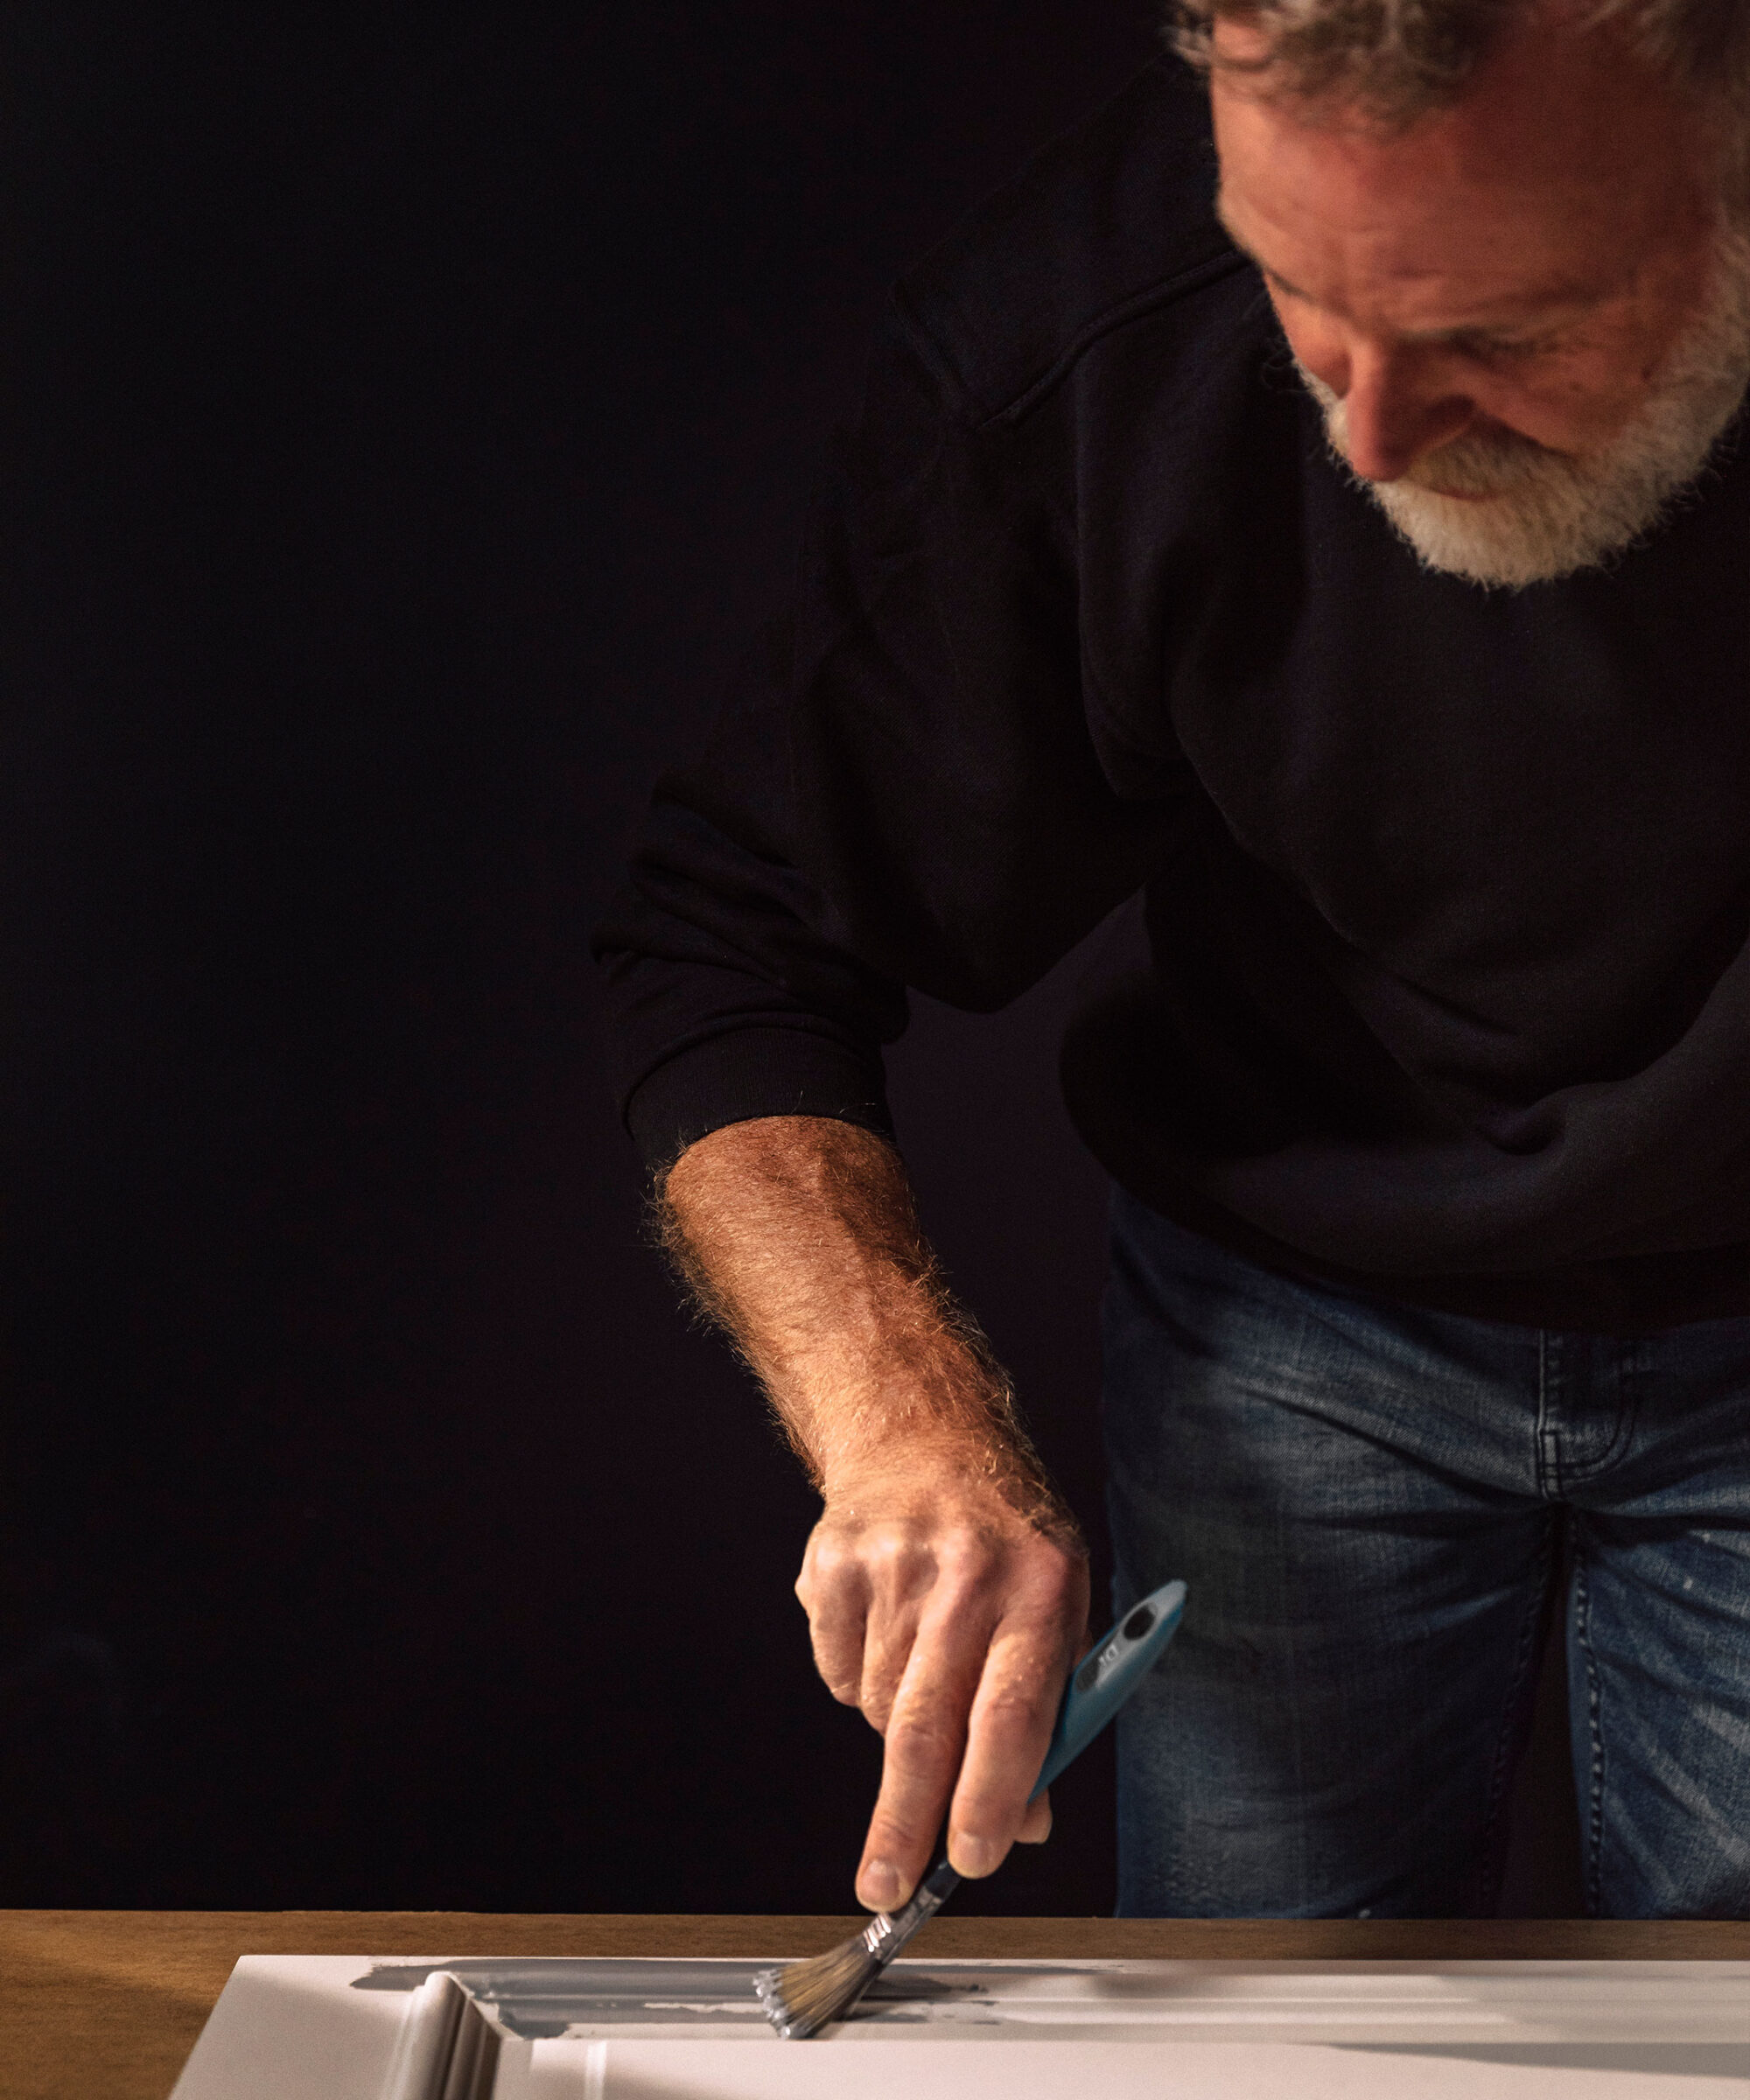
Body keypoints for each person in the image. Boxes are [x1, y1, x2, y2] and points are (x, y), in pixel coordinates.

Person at [595, 0, 1750, 1921]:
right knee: (1252, 2037)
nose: (1367, 435)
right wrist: (901, 1421)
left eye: (1500, 333)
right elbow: (733, 935)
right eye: (1299, 295)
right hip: (1293, 1336)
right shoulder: (1080, 330)